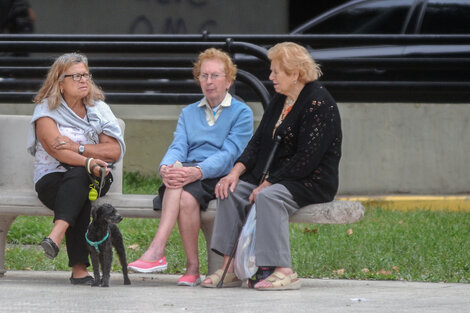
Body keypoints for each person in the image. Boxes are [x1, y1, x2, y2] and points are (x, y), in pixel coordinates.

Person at [201, 42, 342, 290]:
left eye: (276, 72)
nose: (270, 77)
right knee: (229, 191)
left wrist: (268, 183)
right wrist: (235, 173)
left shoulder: (319, 103)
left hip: (311, 179)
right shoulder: (280, 99)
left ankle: (283, 270)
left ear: (296, 73)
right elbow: (257, 142)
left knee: (269, 197)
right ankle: (230, 267)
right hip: (274, 176)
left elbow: (307, 158)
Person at [127, 48, 254, 287]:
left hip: (217, 174)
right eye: (204, 75)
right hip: (187, 172)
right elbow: (178, 146)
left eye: (215, 75)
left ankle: (161, 253)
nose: (208, 81)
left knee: (183, 191)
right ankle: (185, 266)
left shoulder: (242, 113)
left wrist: (197, 171)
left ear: (228, 81)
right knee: (179, 184)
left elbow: (229, 155)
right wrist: (165, 166)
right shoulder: (188, 112)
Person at [27, 53, 125, 285]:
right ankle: (79, 270)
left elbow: (113, 151)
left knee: (81, 178)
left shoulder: (98, 109)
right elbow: (56, 150)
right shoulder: (46, 111)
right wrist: (88, 160)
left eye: (86, 75)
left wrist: (78, 147)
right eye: (76, 76)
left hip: (99, 176)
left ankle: (56, 235)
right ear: (59, 82)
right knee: (79, 184)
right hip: (52, 178)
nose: (83, 80)